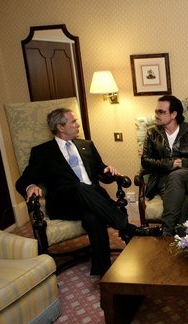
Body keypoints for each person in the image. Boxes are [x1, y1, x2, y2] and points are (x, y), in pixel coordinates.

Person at [16, 108, 137, 276]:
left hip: (92, 200)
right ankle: (126, 227)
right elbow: (23, 180)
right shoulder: (42, 152)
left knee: (93, 218)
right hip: (64, 202)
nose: (77, 124)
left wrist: (107, 170)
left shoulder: (86, 145)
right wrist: (30, 187)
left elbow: (100, 169)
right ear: (60, 127)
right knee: (79, 186)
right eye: (73, 121)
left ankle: (103, 271)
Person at [141, 95, 188, 236]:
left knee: (177, 175)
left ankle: (166, 231)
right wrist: (170, 163)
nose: (156, 115)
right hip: (164, 181)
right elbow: (145, 161)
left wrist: (185, 162)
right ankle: (183, 240)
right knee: (181, 200)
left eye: (161, 112)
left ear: (174, 114)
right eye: (156, 111)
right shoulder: (152, 134)